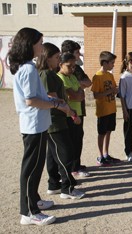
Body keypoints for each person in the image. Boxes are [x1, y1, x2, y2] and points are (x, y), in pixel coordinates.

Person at [9, 27, 68, 225]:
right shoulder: (28, 69)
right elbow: (31, 100)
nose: (42, 47)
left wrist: (54, 102)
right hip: (33, 125)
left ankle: (34, 200)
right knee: (31, 169)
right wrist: (54, 104)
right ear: (29, 44)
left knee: (36, 166)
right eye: (40, 43)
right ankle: (29, 212)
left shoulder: (28, 66)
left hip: (37, 124)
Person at [37, 43, 85, 200]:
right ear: (47, 57)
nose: (58, 60)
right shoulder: (46, 74)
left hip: (56, 119)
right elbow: (53, 98)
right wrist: (70, 111)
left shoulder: (50, 74)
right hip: (54, 120)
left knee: (53, 153)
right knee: (65, 152)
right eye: (57, 57)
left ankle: (54, 184)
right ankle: (67, 188)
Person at [61, 40, 91, 175]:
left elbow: (88, 82)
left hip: (79, 109)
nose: (79, 55)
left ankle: (76, 164)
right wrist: (78, 88)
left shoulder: (76, 69)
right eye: (77, 52)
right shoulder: (60, 72)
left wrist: (77, 84)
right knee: (69, 141)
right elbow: (73, 95)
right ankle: (71, 168)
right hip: (68, 112)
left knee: (78, 137)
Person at [56, 53, 88, 176]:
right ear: (61, 65)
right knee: (69, 145)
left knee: (77, 142)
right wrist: (78, 93)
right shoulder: (61, 78)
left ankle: (75, 166)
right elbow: (74, 96)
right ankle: (68, 170)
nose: (72, 69)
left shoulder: (73, 77)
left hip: (78, 114)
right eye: (69, 66)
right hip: (69, 116)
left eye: (74, 66)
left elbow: (81, 95)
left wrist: (78, 93)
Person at [90, 51, 122, 166]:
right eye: (112, 63)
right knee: (102, 133)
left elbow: (113, 89)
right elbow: (96, 95)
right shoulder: (97, 77)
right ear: (104, 63)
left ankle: (106, 154)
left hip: (111, 109)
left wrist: (116, 90)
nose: (113, 65)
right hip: (103, 110)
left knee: (109, 132)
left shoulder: (110, 75)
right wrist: (110, 91)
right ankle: (99, 156)